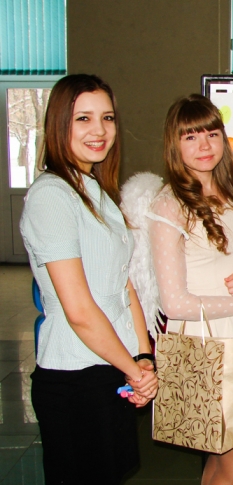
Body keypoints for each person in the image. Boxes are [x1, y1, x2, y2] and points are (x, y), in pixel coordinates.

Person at [20, 74, 158, 485]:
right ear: (59, 123)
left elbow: (124, 284)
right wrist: (134, 372)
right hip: (75, 376)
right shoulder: (52, 195)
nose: (99, 130)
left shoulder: (94, 188)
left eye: (107, 118)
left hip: (110, 366)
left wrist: (143, 356)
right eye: (83, 118)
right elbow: (78, 310)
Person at [149, 94, 233, 485]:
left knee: (220, 456)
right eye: (190, 136)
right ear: (174, 144)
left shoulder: (231, 193)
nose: (204, 145)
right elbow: (174, 303)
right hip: (205, 339)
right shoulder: (169, 205)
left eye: (211, 133)